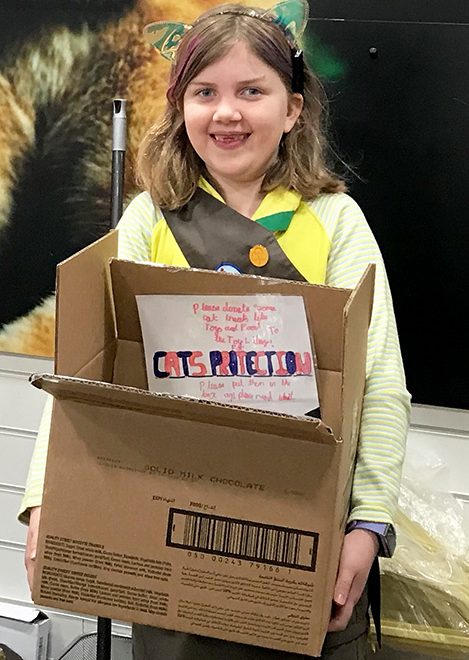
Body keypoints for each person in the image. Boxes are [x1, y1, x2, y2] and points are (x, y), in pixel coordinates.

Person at [21, 1, 411, 657]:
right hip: (169, 528)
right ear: (180, 109)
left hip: (305, 534)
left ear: (291, 109)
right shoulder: (148, 220)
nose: (225, 112)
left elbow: (379, 384)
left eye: (250, 91)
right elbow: (82, 373)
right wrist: (44, 499)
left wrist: (366, 526)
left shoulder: (335, 223)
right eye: (204, 92)